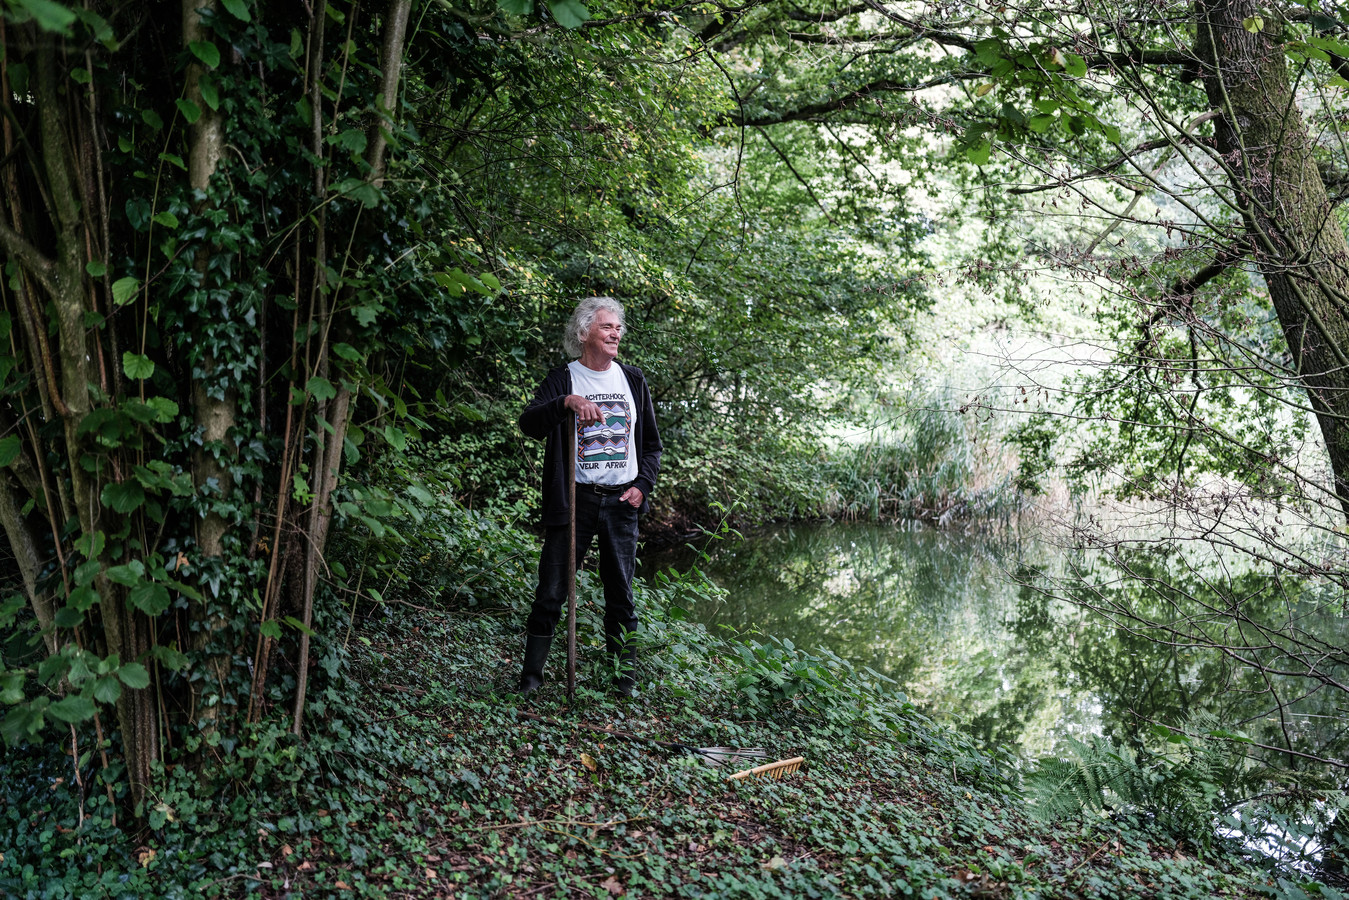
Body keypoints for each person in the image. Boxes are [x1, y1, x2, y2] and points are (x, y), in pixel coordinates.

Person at [516, 296, 662, 697]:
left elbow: (651, 445)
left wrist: (642, 487)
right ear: (584, 334)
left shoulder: (632, 379)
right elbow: (528, 422)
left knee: (622, 596)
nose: (615, 333)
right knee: (551, 592)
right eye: (606, 327)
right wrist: (565, 403)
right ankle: (530, 682)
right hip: (575, 501)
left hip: (621, 503)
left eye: (618, 328)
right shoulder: (564, 378)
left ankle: (624, 683)